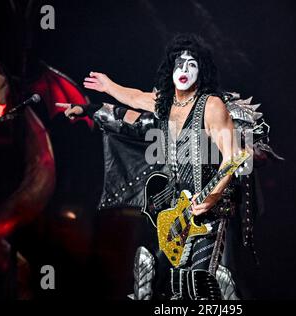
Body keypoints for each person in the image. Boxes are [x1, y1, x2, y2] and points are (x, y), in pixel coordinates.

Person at [63, 33, 279, 300]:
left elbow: (233, 157)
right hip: (177, 212)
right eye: (180, 63)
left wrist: (211, 196)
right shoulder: (166, 102)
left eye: (192, 64)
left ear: (202, 71)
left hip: (212, 213)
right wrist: (102, 92)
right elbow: (134, 99)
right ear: (171, 68)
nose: (185, 70)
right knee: (163, 283)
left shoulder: (211, 106)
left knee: (204, 285)